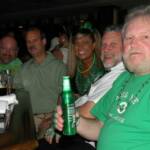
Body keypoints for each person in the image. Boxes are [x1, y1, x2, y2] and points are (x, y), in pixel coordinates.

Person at [56, 5, 150, 150]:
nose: (133, 43)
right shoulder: (123, 79)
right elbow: (100, 126)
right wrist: (75, 119)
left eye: (145, 36)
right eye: (129, 38)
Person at [13, 27, 67, 146]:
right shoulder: (23, 69)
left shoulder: (59, 66)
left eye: (35, 40)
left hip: (50, 118)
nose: (31, 44)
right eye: (28, 41)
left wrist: (52, 119)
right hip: (28, 121)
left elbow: (63, 97)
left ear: (44, 41)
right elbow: (16, 96)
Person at [76, 25, 125, 119]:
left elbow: (88, 112)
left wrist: (63, 111)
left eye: (113, 45)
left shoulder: (119, 76)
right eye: (104, 45)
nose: (106, 49)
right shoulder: (110, 72)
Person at [70, 29, 105, 96]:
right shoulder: (74, 68)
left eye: (85, 42)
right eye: (77, 43)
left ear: (93, 45)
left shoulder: (103, 68)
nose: (80, 47)